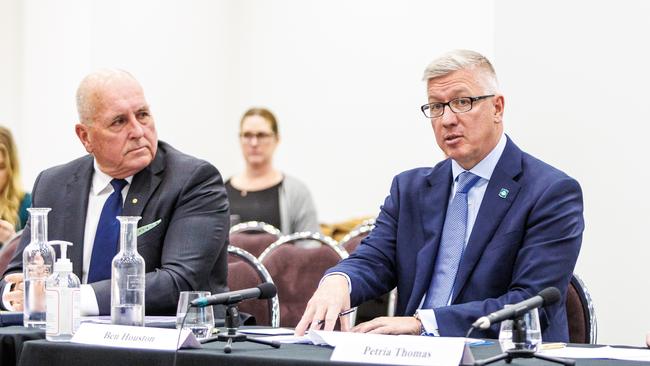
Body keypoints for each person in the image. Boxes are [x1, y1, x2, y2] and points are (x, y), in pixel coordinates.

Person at [295, 50, 583, 342]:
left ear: (497, 108)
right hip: (411, 354)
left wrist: (424, 323)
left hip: (498, 355)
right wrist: (338, 281)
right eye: (435, 106)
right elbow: (375, 259)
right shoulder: (410, 189)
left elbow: (531, 303)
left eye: (462, 102)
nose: (447, 119)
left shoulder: (550, 192)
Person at [1, 69, 229, 316]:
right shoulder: (53, 184)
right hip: (65, 342)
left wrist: (69, 299)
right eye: (119, 121)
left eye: (142, 115)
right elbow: (16, 276)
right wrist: (14, 296)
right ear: (85, 136)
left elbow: (179, 282)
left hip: (165, 342)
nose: (138, 131)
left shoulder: (194, 181)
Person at [226, 107, 319, 234]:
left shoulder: (297, 192)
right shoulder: (221, 192)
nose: (254, 143)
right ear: (240, 139)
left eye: (261, 135)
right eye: (247, 135)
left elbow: (310, 247)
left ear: (277, 139)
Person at [0, 126, 31, 245]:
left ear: (12, 168)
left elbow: (37, 260)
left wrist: (13, 242)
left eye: (1, 167)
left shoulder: (27, 205)